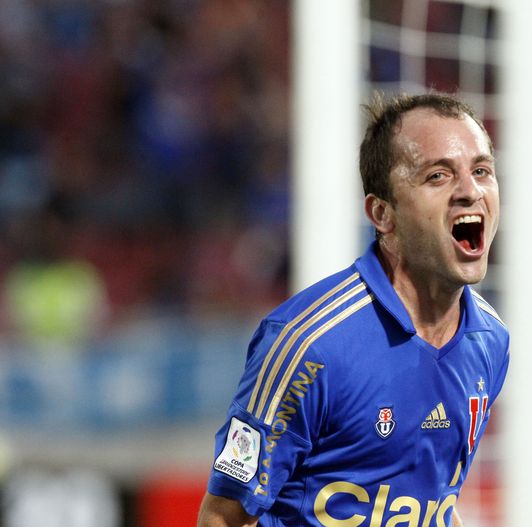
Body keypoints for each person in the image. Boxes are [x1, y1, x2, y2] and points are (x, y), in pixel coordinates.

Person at [197, 92, 509, 527]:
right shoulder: (308, 345)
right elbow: (223, 518)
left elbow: (432, 499)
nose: (470, 192)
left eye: (481, 171)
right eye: (438, 176)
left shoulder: (489, 342)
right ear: (382, 213)